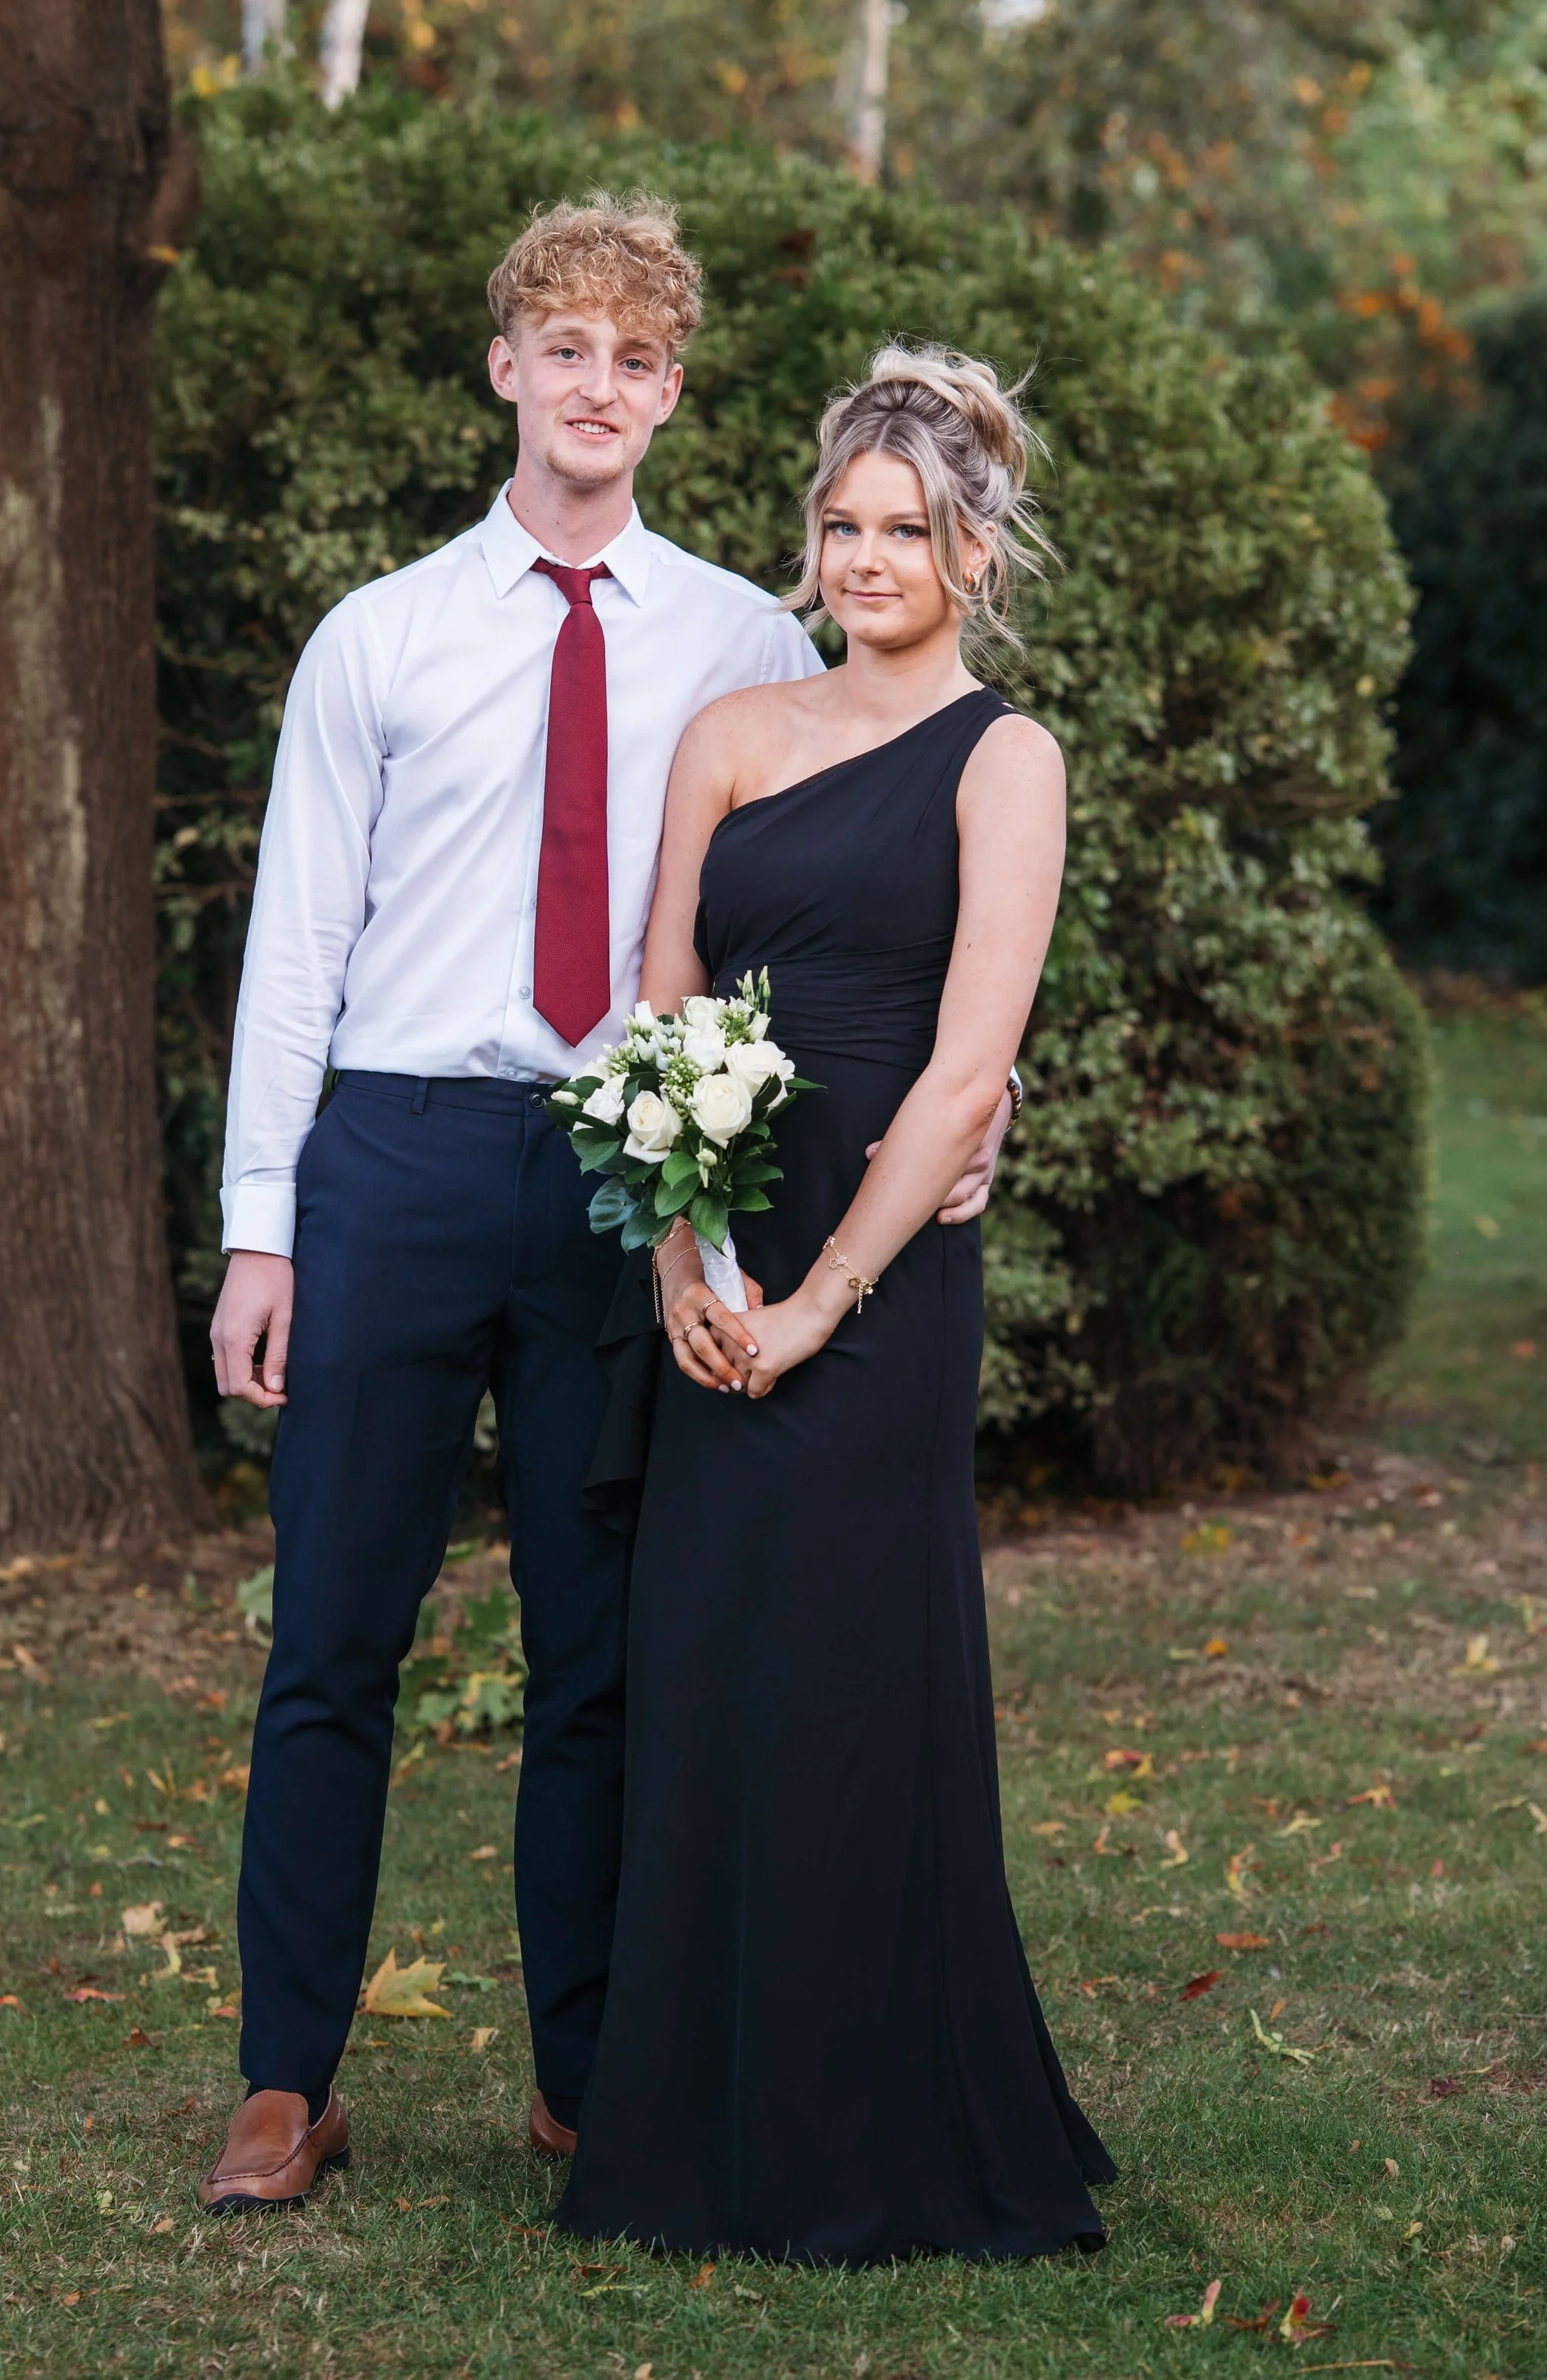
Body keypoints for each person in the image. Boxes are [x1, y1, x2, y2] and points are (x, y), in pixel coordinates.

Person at [194, 200, 1012, 2214]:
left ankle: (591, 2066)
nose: (595, 385)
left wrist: (978, 1106)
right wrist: (260, 1225)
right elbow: (293, 949)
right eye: (560, 346)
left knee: (597, 1652)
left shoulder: (749, 638)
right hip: (390, 1155)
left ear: (669, 393)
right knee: (331, 1637)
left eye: (634, 359)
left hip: (618, 1177)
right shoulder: (374, 635)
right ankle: (285, 2078)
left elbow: (865, 898)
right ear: (507, 371)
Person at [556, 344, 1116, 2264]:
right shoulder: (732, 732)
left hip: (880, 1267)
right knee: (707, 1671)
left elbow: (969, 1070)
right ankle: (684, 2123)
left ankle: (868, 2116)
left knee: (852, 1682)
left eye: (906, 529)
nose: (866, 557)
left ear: (971, 549)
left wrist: (818, 1304)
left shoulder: (1007, 759)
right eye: (841, 524)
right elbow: (659, 1010)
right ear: (808, 542)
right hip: (712, 1239)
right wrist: (685, 1260)